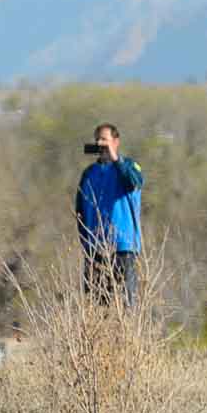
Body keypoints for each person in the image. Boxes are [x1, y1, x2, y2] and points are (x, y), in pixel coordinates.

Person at [74, 122, 144, 308]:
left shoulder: (129, 166)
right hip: (95, 249)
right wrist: (86, 243)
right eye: (97, 139)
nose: (99, 143)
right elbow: (80, 211)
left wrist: (116, 160)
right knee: (97, 306)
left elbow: (135, 182)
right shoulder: (89, 174)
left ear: (115, 141)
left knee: (126, 305)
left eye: (104, 139)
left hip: (123, 248)